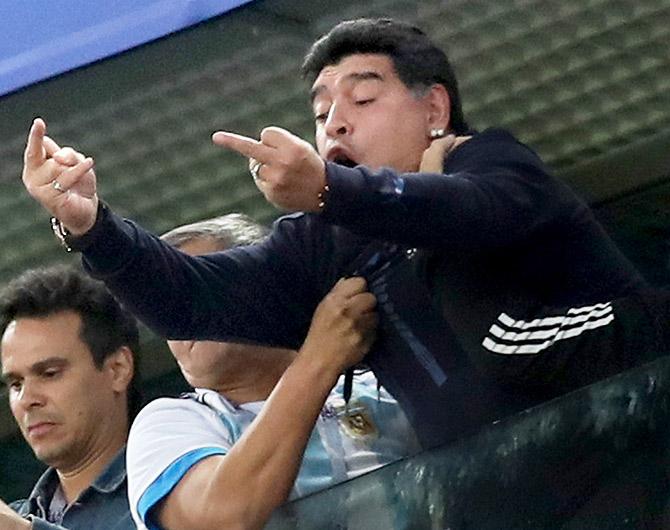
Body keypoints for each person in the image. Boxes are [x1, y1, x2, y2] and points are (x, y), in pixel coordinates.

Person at [21, 18, 647, 448]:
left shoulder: (495, 163)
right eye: (322, 113)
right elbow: (189, 299)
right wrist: (91, 226)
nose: (335, 125)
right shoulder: (324, 243)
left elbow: (468, 212)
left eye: (363, 101)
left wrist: (329, 189)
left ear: (434, 110)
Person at [126, 214, 419, 530]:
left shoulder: (381, 390)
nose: (182, 316)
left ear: (268, 284)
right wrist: (319, 358)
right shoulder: (171, 422)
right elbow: (220, 520)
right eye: (168, 304)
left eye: (200, 287)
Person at [0, 266, 139, 529]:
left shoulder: (172, 492)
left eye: (49, 373)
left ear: (117, 370)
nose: (27, 399)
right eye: (16, 384)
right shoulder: (17, 516)